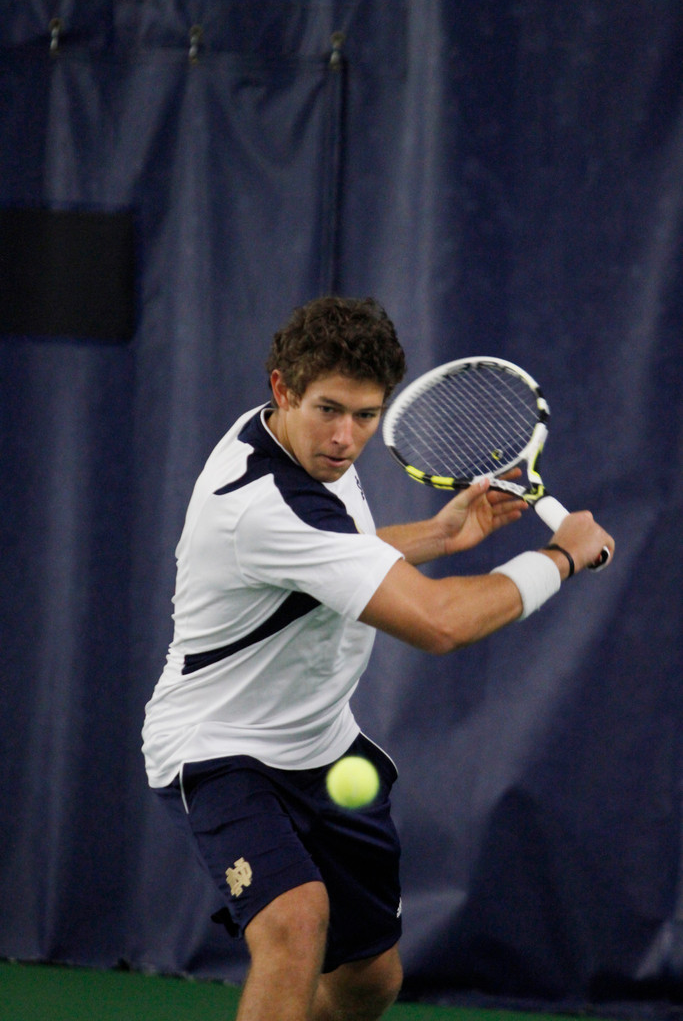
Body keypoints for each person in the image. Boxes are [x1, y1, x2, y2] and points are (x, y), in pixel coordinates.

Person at [142, 295, 614, 1021]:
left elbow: (329, 559)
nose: (344, 438)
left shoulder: (294, 447)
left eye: (365, 416)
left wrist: (436, 537)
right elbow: (438, 623)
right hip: (218, 748)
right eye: (328, 410)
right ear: (282, 389)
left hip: (321, 745)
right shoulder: (260, 502)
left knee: (370, 982)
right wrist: (561, 558)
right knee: (295, 924)